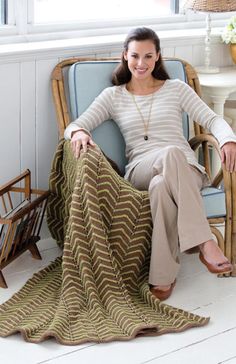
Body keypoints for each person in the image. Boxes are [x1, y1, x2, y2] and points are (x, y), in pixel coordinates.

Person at [64, 27, 236, 301]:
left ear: (157, 58)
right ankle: (204, 242)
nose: (141, 63)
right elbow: (75, 124)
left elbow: (213, 120)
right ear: (125, 56)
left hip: (186, 171)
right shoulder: (113, 96)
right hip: (140, 169)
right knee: (167, 158)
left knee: (161, 185)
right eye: (135, 56)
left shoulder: (176, 89)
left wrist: (228, 139)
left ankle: (163, 277)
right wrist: (79, 132)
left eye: (148, 56)